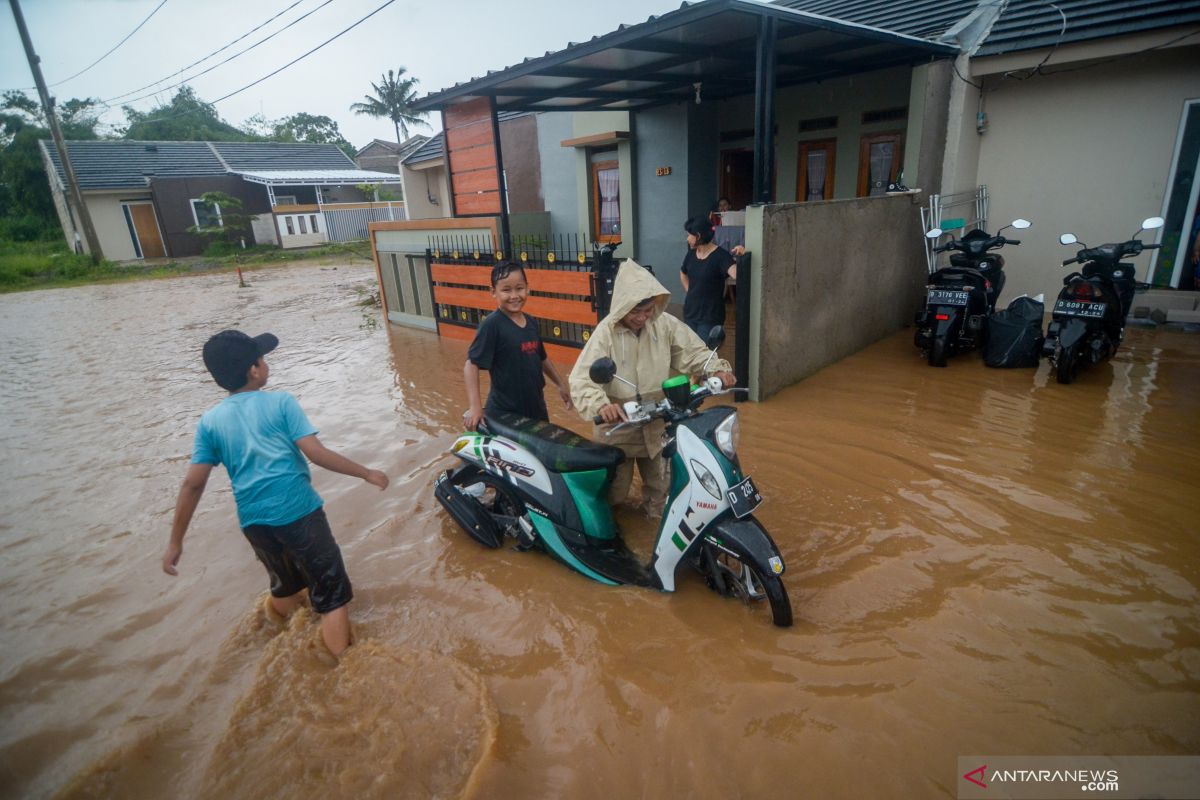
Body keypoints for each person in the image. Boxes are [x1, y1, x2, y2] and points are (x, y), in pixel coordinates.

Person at [161, 330, 389, 663]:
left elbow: (192, 484)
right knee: (332, 595)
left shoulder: (210, 422)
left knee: (285, 585)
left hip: (255, 524)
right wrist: (366, 473)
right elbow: (315, 453)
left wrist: (175, 542)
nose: (266, 365)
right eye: (262, 359)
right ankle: (343, 668)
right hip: (299, 514)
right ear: (254, 370)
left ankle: (273, 632)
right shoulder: (281, 403)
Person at [569, 261, 734, 517]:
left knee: (661, 490)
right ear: (623, 306)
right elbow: (581, 378)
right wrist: (601, 405)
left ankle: (653, 536)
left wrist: (716, 369)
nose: (642, 317)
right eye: (636, 311)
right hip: (618, 424)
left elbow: (692, 351)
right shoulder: (605, 333)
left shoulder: (664, 324)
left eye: (648, 310)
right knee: (615, 492)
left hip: (657, 420)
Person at [464, 261, 572, 431]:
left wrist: (560, 384)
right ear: (493, 292)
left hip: (536, 407)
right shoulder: (492, 325)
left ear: (527, 288)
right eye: (506, 290)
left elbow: (541, 357)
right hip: (506, 412)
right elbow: (471, 364)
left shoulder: (531, 322)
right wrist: (475, 407)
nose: (514, 295)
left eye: (519, 288)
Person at [680, 215, 739, 339]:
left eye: (689, 235)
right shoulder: (691, 254)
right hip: (690, 313)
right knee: (690, 352)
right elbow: (683, 273)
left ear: (698, 236)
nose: (687, 239)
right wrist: (689, 291)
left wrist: (743, 256)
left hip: (710, 317)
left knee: (704, 353)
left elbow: (737, 274)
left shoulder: (721, 256)